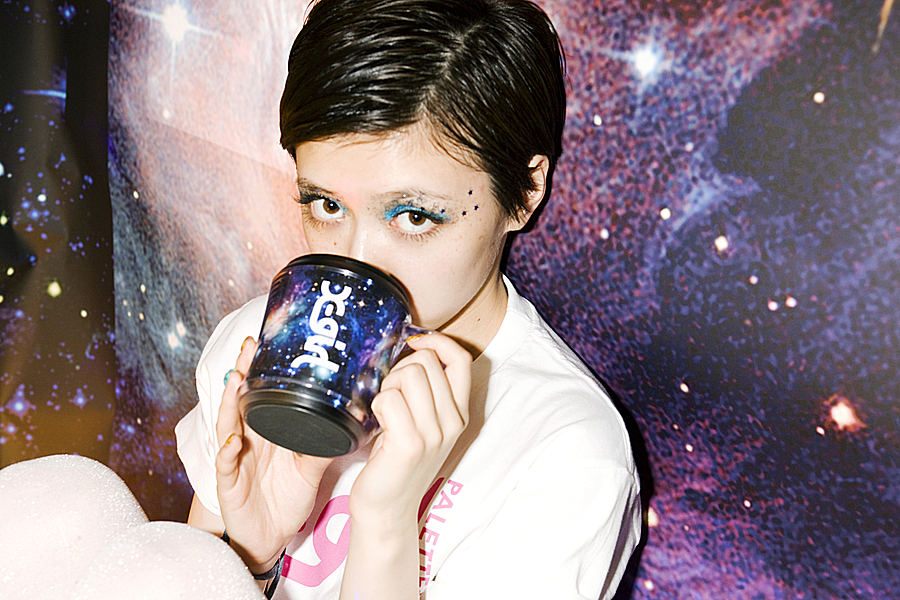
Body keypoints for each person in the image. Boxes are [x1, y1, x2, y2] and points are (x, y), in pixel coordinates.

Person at [175, 0, 642, 598]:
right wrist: (252, 556)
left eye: (414, 216)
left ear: (526, 192)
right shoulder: (264, 343)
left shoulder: (564, 453)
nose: (356, 263)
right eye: (326, 205)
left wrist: (386, 524)